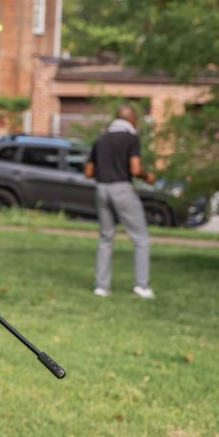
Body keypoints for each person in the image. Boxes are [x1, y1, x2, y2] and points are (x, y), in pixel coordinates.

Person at [84, 104, 156, 299]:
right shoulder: (131, 138)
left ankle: (101, 287)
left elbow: (88, 172)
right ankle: (141, 286)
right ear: (131, 119)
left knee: (106, 238)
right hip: (122, 188)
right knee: (140, 238)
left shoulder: (101, 139)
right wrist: (147, 176)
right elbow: (134, 169)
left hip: (101, 189)